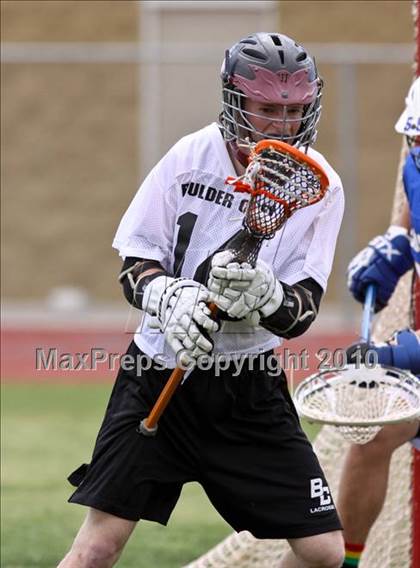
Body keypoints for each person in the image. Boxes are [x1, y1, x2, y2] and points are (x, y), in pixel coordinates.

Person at [58, 32, 345, 568]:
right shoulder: (189, 157)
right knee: (96, 548)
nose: (282, 124)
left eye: (293, 110)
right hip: (158, 374)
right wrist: (170, 297)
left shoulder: (319, 184)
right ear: (235, 99)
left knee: (322, 552)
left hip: (248, 386)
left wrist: (267, 297)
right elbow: (135, 261)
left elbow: (301, 311)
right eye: (267, 109)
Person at [337, 77, 420, 568]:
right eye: (417, 139)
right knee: (374, 433)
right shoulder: (415, 163)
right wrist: (395, 245)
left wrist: (395, 356)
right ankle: (346, 563)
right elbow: (410, 213)